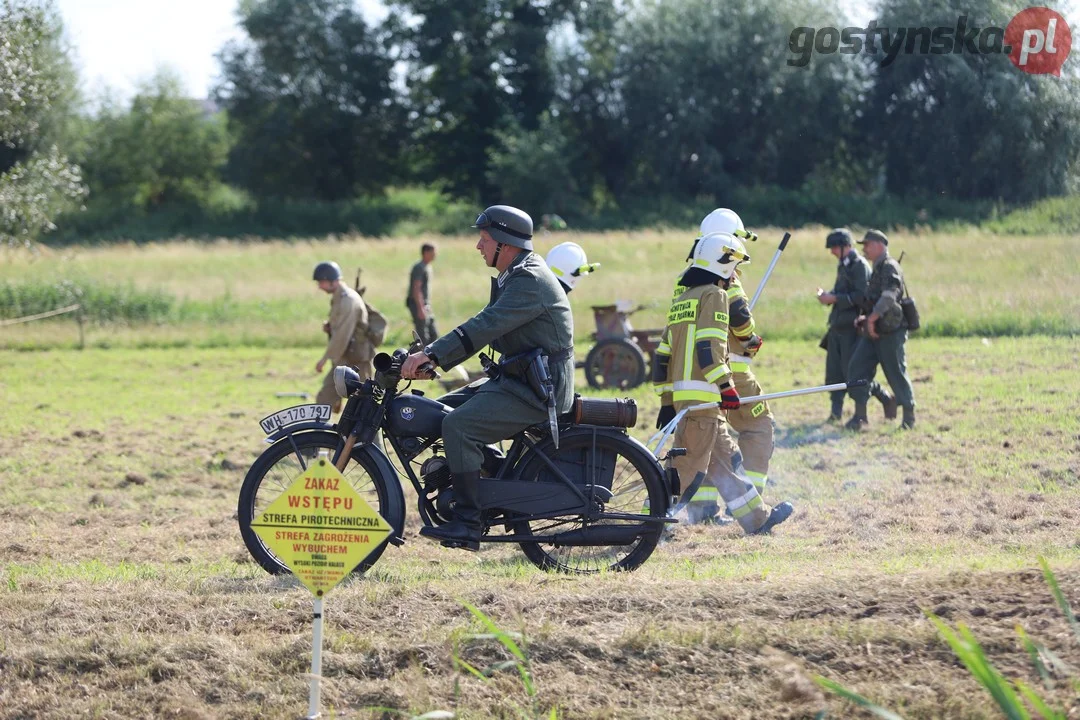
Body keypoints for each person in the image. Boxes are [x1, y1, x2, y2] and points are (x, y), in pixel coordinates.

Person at [401, 205, 575, 550]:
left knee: (459, 426)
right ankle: (488, 477)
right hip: (522, 378)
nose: (478, 246)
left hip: (539, 389)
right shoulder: (517, 274)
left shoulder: (529, 279)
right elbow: (485, 325)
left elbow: (484, 326)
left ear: (505, 244)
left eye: (484, 239)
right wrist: (433, 357)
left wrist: (433, 355)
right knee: (440, 411)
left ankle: (467, 522)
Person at [653, 231, 793, 535]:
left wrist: (667, 402)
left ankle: (757, 520)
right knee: (684, 471)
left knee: (726, 463)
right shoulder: (714, 296)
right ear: (724, 265)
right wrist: (728, 389)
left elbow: (661, 355)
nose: (735, 278)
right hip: (704, 400)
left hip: (690, 401)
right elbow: (709, 349)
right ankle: (649, 525)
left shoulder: (683, 299)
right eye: (734, 268)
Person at [816, 228, 895, 423]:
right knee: (834, 373)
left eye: (834, 247)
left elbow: (861, 296)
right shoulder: (844, 265)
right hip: (837, 327)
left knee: (853, 373)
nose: (832, 251)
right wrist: (829, 295)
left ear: (845, 247)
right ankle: (836, 412)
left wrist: (834, 298)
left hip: (851, 329)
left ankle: (884, 397)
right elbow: (844, 291)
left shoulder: (859, 266)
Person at [846, 229, 916, 430]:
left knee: (896, 372)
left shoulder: (889, 266)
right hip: (874, 329)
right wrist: (866, 318)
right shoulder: (877, 268)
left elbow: (889, 295)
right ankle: (860, 416)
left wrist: (872, 318)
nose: (864, 249)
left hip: (891, 331)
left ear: (878, 245)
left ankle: (908, 417)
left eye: (866, 245)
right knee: (857, 368)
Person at [313, 261, 374, 413]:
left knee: (364, 409)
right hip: (344, 358)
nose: (319, 286)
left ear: (332, 281)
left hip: (358, 360)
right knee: (324, 400)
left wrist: (325, 358)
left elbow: (342, 335)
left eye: (322, 282)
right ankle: (318, 436)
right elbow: (339, 327)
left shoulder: (348, 300)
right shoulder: (338, 298)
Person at [406, 242, 438, 345]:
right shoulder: (419, 267)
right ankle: (420, 359)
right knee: (422, 336)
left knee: (433, 334)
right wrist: (420, 308)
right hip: (417, 304)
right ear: (426, 252)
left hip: (425, 305)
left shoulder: (427, 267)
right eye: (433, 252)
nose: (435, 254)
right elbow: (416, 289)